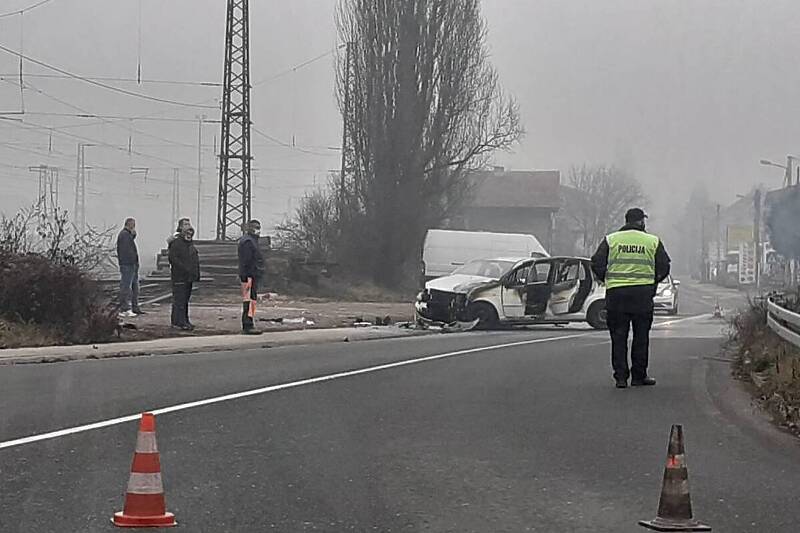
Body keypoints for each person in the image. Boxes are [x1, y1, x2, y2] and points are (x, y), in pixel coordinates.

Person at [591, 208, 671, 389]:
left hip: (617, 294)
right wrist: (652, 281)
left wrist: (607, 278)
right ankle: (638, 376)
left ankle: (620, 378)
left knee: (618, 337)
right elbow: (665, 266)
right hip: (642, 295)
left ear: (626, 221)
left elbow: (596, 262)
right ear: (641, 222)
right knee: (641, 337)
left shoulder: (611, 240)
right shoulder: (652, 241)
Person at [168, 224, 200, 331]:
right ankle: (177, 322)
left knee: (185, 301)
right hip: (179, 277)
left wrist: (195, 274)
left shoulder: (190, 245)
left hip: (188, 278)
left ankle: (184, 321)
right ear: (182, 233)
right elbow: (173, 259)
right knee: (179, 301)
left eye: (191, 233)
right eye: (187, 232)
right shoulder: (177, 244)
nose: (189, 235)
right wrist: (184, 268)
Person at [237, 219, 265, 335]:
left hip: (251, 275)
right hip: (249, 275)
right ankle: (248, 325)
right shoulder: (248, 242)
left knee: (252, 300)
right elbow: (247, 260)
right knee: (249, 300)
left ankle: (250, 322)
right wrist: (251, 273)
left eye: (259, 227)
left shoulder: (252, 240)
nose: (258, 230)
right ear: (250, 228)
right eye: (255, 227)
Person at [116, 217, 143, 318]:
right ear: (128, 224)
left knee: (134, 286)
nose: (134, 226)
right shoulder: (124, 235)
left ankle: (134, 307)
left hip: (131, 264)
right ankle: (125, 308)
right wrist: (131, 262)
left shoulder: (127, 235)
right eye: (133, 224)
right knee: (126, 286)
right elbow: (126, 251)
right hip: (128, 264)